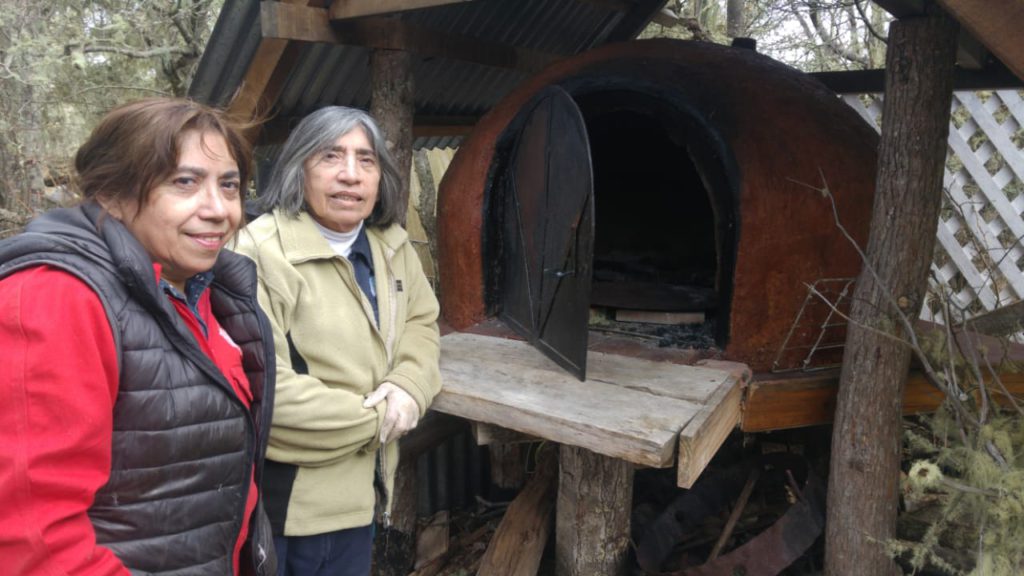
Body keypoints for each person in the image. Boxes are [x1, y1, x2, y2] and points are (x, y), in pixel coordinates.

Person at [0, 98, 277, 575]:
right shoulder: (55, 298)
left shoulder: (198, 289)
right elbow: (33, 541)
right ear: (111, 194)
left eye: (228, 185)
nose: (218, 209)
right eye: (185, 182)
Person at [235, 106, 441, 576]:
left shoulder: (391, 244)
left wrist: (410, 383)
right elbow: (267, 394)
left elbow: (422, 323)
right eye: (331, 156)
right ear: (298, 169)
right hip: (292, 509)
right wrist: (382, 418)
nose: (351, 175)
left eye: (366, 160)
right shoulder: (259, 253)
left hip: (364, 493)